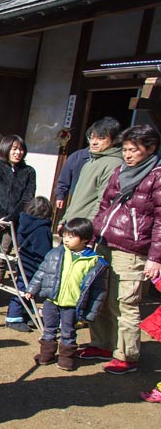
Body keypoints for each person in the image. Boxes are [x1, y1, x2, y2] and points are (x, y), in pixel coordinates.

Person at [83, 124, 161, 374]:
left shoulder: (157, 176)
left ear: (150, 149)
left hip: (133, 249)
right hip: (106, 242)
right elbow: (104, 204)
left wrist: (155, 257)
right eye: (125, 149)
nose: (127, 155)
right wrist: (93, 235)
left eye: (133, 150)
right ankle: (102, 343)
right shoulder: (120, 171)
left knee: (125, 303)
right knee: (101, 298)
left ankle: (127, 355)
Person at [26, 218, 108, 371]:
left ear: (84, 239)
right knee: (48, 328)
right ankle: (46, 355)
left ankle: (66, 359)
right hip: (52, 300)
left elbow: (99, 290)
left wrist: (91, 312)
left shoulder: (95, 261)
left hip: (73, 304)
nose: (66, 239)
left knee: (68, 332)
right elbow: (42, 272)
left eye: (71, 236)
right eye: (65, 235)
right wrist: (32, 289)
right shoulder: (56, 253)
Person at [0, 135, 36, 311]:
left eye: (21, 149)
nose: (18, 152)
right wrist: (0, 215)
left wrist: (11, 217)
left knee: (4, 261)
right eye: (14, 148)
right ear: (6, 148)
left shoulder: (29, 171)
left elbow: (27, 198)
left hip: (13, 223)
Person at [59, 117, 123, 230]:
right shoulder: (91, 160)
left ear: (115, 140)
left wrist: (89, 228)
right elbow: (78, 197)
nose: (94, 142)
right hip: (74, 224)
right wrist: (65, 219)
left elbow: (103, 201)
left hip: (85, 228)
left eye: (101, 138)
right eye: (91, 138)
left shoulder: (114, 164)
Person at [5, 196, 54, 332]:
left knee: (25, 288)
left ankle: (24, 313)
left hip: (24, 261)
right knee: (23, 290)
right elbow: (43, 251)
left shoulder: (25, 223)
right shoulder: (42, 229)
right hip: (34, 264)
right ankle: (13, 317)